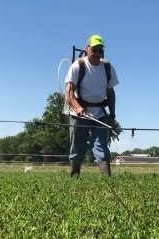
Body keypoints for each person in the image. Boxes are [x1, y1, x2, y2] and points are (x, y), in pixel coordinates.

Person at [65, 34, 119, 178]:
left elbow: (111, 93)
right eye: (94, 50)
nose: (97, 53)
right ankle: (74, 176)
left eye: (100, 50)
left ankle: (107, 179)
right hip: (79, 114)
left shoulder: (107, 68)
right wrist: (78, 107)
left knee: (101, 145)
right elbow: (69, 92)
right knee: (77, 147)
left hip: (100, 114)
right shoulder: (78, 66)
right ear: (87, 49)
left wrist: (112, 115)